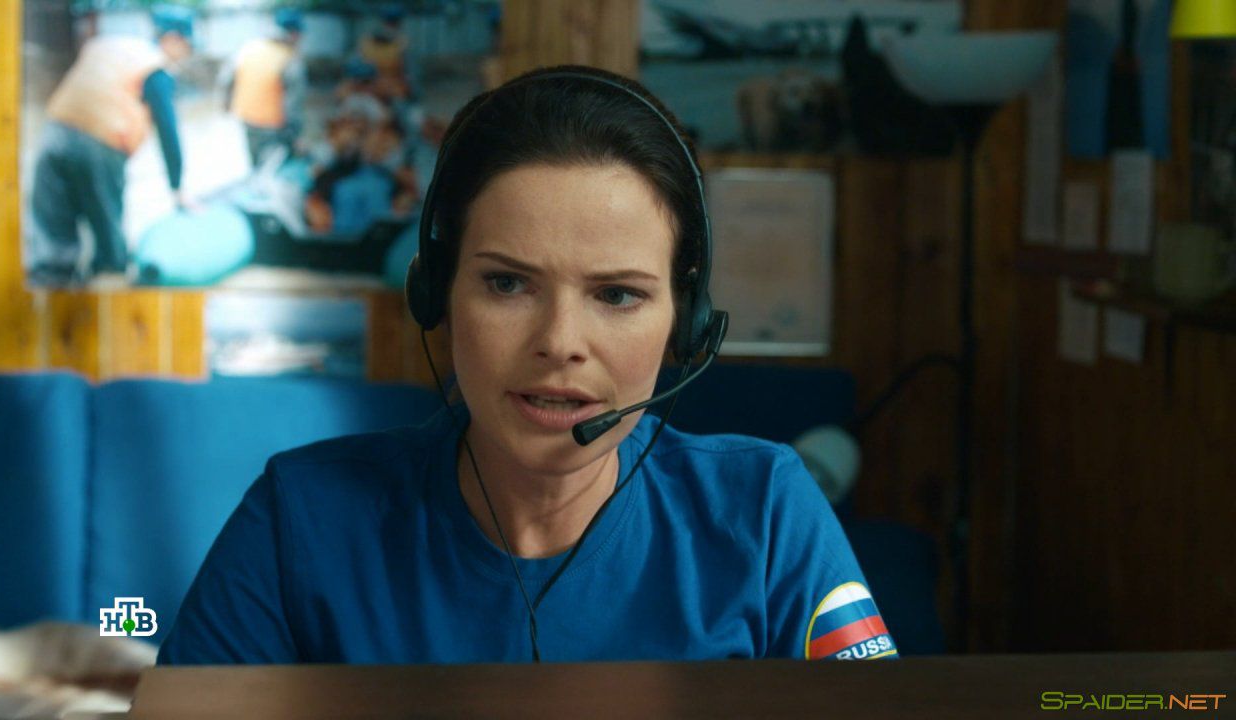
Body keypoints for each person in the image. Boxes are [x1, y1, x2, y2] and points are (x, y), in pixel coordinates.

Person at [157, 66, 896, 664]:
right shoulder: (300, 518)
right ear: (436, 294)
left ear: (687, 319)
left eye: (617, 294)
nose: (560, 341)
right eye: (508, 284)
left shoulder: (764, 512)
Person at [27, 5, 194, 287]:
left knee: (52, 243)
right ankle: (107, 289)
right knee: (109, 243)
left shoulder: (111, 45)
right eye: (187, 46)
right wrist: (177, 188)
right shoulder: (155, 67)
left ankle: (49, 295)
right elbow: (168, 130)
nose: (185, 55)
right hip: (100, 143)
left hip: (54, 131)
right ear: (173, 39)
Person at [221, 8, 308, 168]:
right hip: (274, 126)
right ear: (295, 34)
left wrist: (226, 106)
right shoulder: (289, 59)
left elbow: (226, 80)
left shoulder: (248, 48)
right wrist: (295, 136)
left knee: (256, 165)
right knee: (274, 168)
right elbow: (293, 104)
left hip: (247, 120)